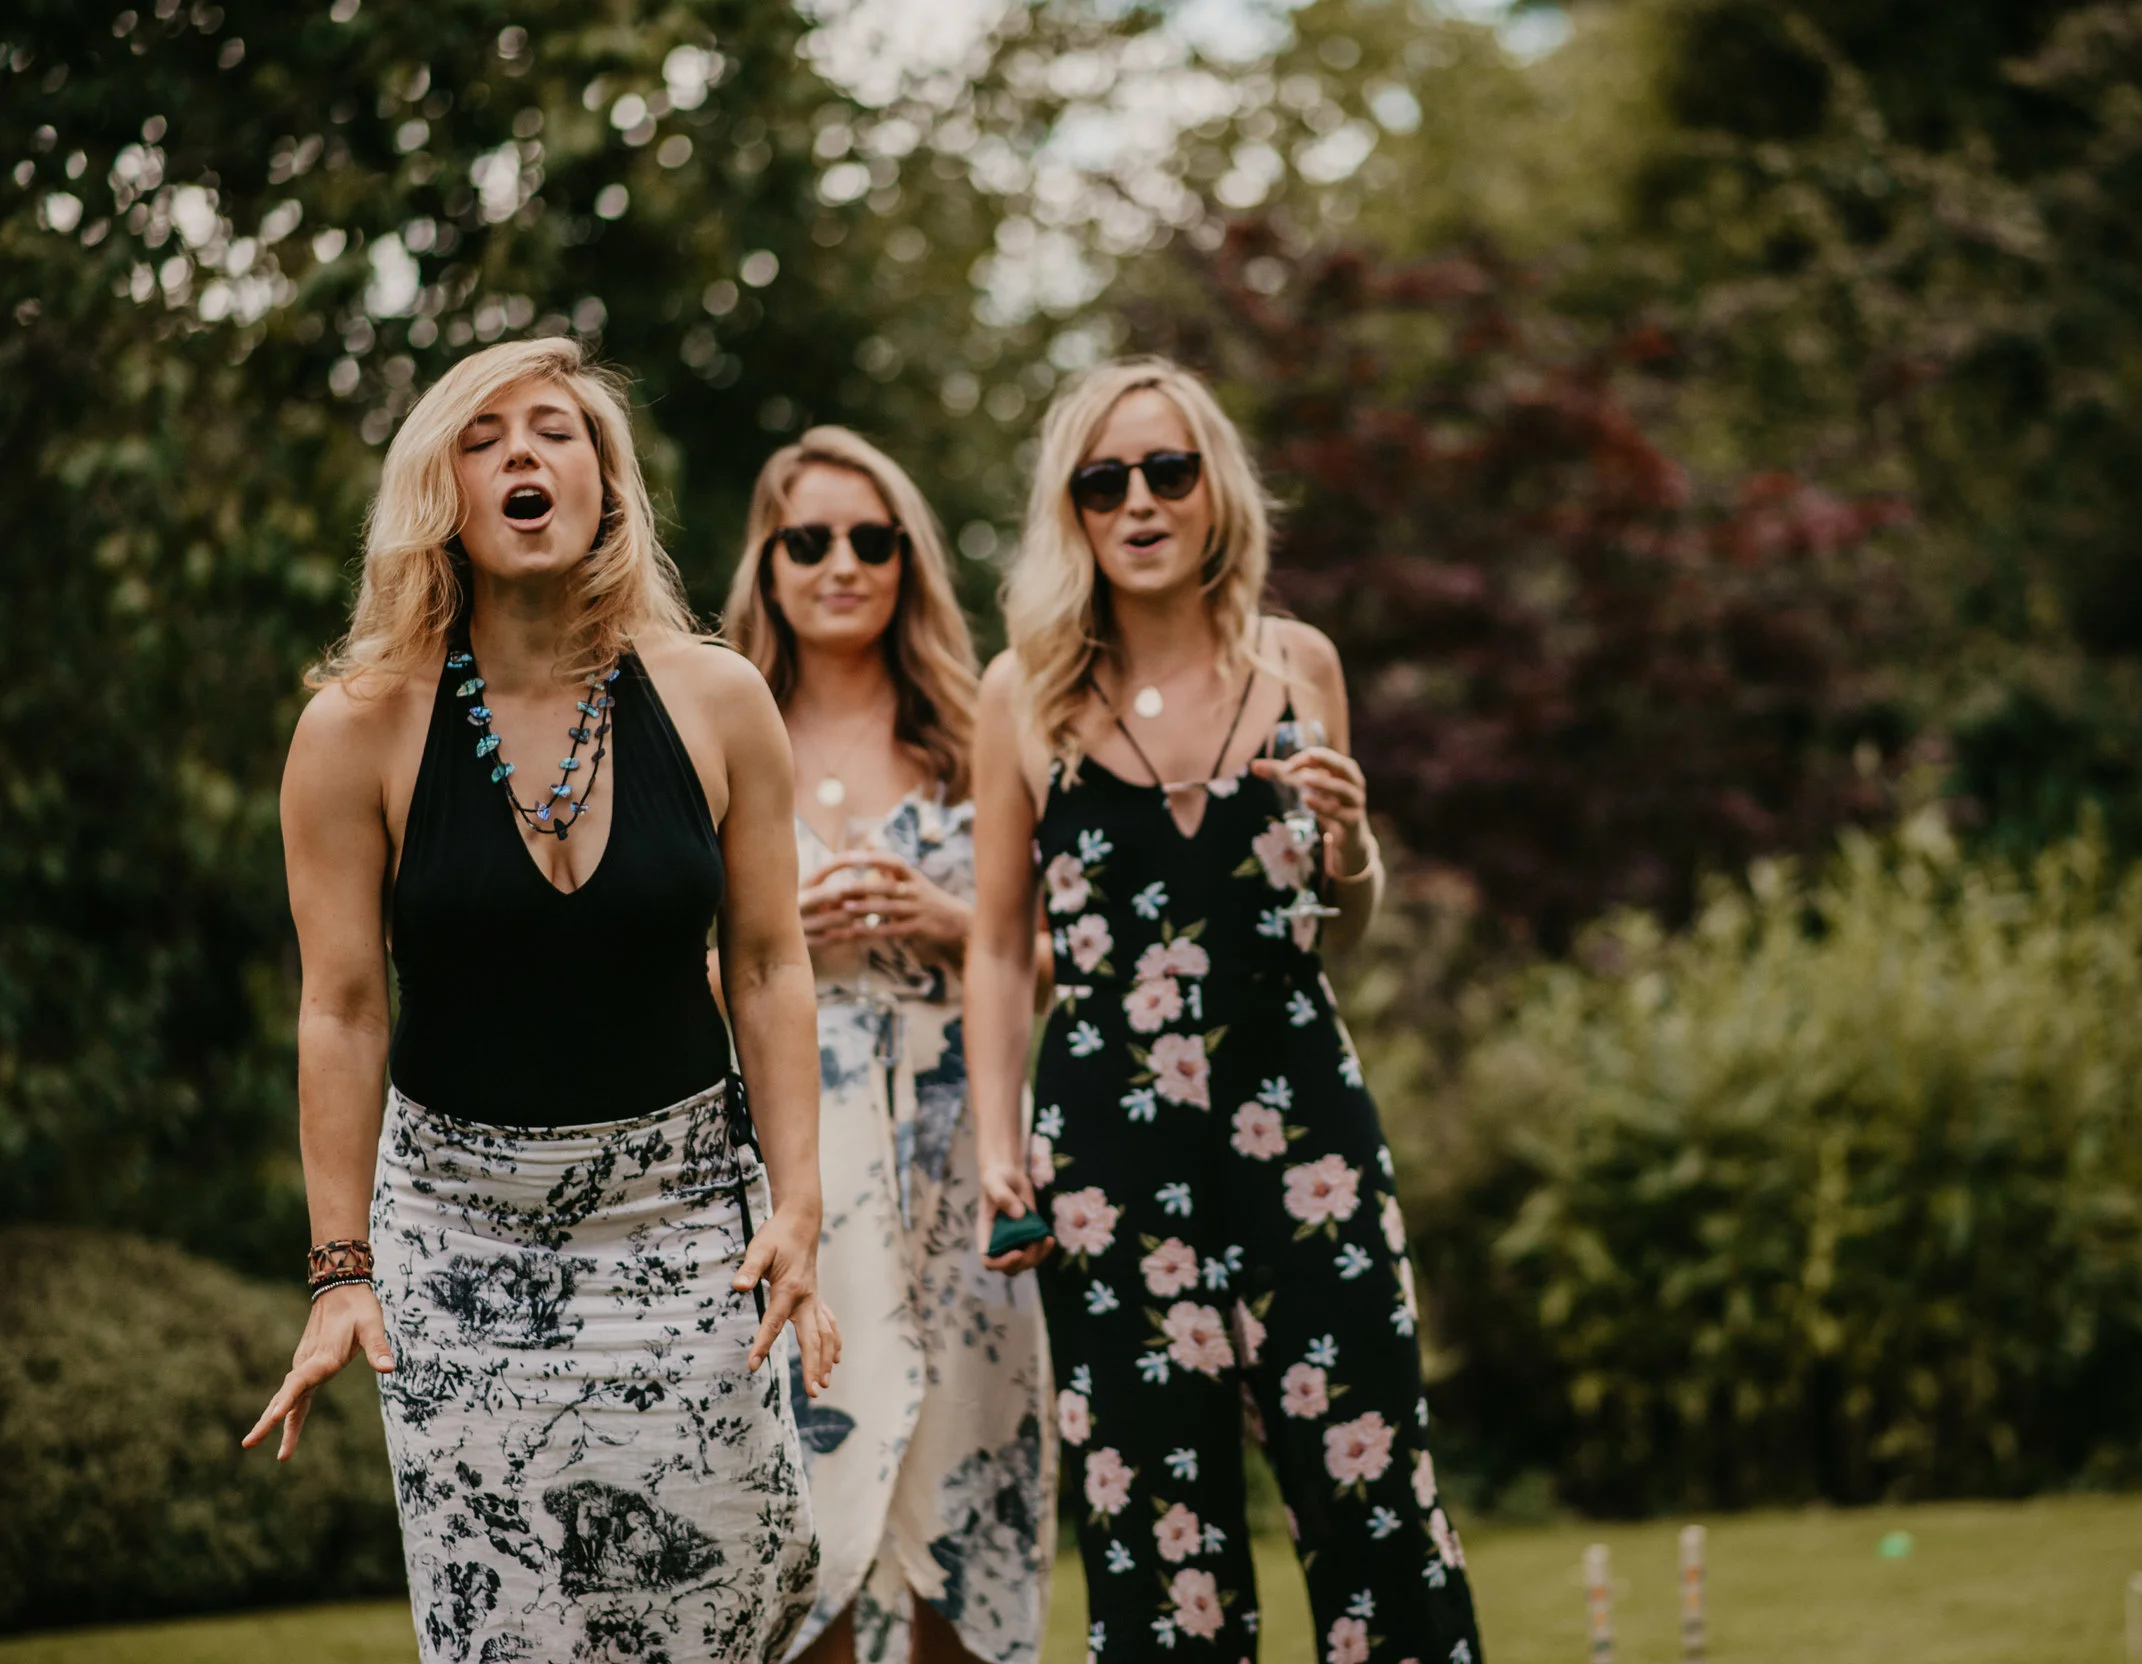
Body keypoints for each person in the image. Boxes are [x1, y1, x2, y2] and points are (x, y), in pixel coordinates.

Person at [244, 337, 838, 1664]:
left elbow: (767, 963)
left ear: (607, 486)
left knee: (740, 1577)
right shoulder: (359, 726)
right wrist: (343, 1271)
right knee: (507, 1619)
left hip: (682, 1217)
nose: (523, 452)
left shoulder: (717, 699)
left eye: (556, 430)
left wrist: (797, 1205)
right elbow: (341, 1007)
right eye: (483, 433)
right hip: (460, 1242)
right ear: (438, 493)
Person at [963, 357, 1485, 1664]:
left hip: (1300, 1123)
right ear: (1072, 512)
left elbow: (1335, 933)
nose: (1138, 502)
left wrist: (1354, 846)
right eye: (1104, 481)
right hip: (1108, 1153)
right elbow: (994, 946)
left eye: (1167, 471)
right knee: (1156, 1525)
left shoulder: (1301, 666)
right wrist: (994, 1141)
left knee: (1373, 1495)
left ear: (1214, 493)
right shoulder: (1022, 695)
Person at [722, 428, 1055, 1664]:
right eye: (809, 540)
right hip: (793, 1179)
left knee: (964, 1507)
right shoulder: (717, 728)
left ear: (910, 560)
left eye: (875, 539)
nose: (843, 563)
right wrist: (777, 940)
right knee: (810, 1511)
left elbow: (1060, 952)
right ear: (768, 562)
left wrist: (954, 920)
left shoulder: (978, 734)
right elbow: (653, 973)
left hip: (958, 1168)